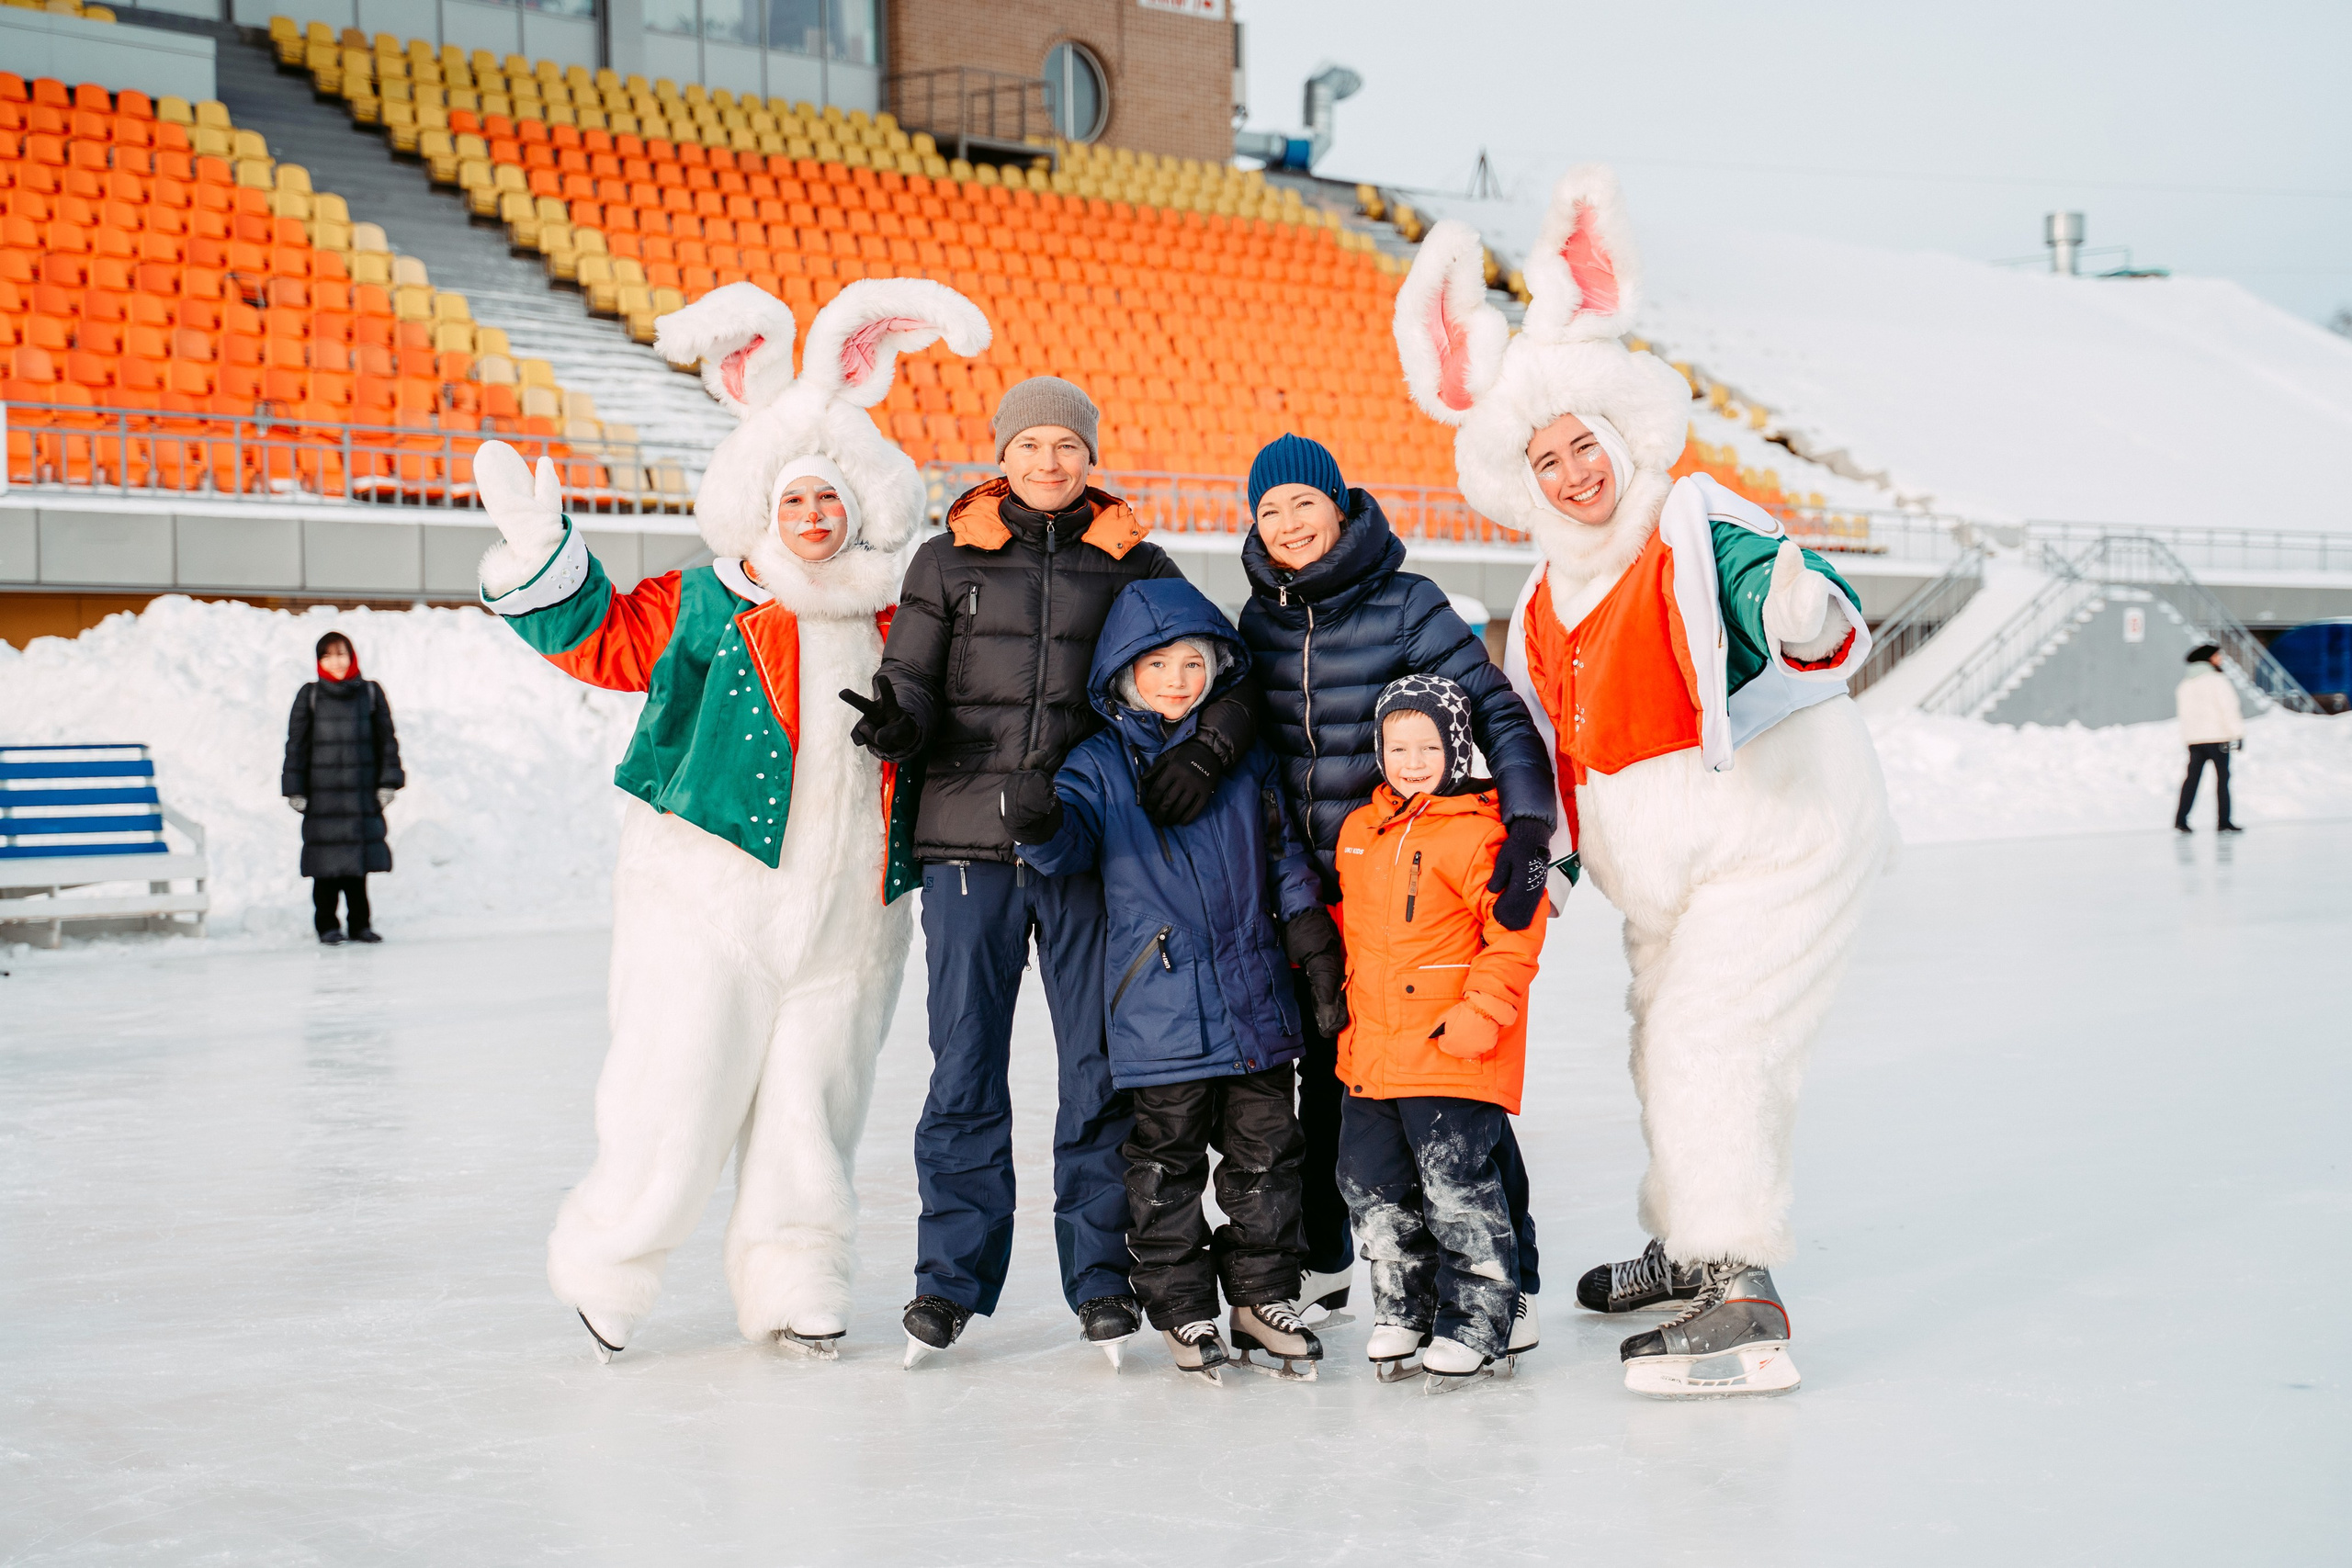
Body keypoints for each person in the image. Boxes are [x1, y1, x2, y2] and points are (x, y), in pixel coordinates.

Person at [1396, 167, 1896, 1397]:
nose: (1573, 471)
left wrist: (1795, 607)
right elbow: (1559, 756)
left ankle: (1740, 1294)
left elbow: (1798, 613)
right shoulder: (1544, 601)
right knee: (1656, 1034)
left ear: (1623, 438)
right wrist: (1536, 869)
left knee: (1708, 1040)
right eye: (1547, 457)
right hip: (1672, 875)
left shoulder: (1692, 526)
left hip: (1777, 837)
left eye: (1586, 444)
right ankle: (1688, 1239)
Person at [475, 278, 989, 1362]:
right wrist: (538, 555)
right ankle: (609, 1261)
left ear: (859, 508)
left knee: (815, 1102)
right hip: (707, 894)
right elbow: (606, 641)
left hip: (852, 915)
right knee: (676, 1082)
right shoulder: (713, 597)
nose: (814, 519)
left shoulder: (901, 614)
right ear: (765, 508)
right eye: (795, 502)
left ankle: (797, 1273)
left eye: (828, 502)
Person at [846, 376, 1261, 1368]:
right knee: (963, 1068)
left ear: (1089, 458)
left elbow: (1228, 671)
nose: (1048, 461)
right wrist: (900, 722)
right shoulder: (945, 560)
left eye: (1066, 446)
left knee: (1096, 1068)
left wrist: (1208, 750)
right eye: (1030, 444)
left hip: (1085, 845)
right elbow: (909, 678)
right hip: (966, 848)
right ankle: (947, 1282)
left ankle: (1101, 1278)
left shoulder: (1133, 561)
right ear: (1001, 455)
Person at [1235, 433, 1555, 1341]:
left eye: (1304, 502)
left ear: (1339, 507)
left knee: (1453, 1085)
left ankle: (1513, 1280)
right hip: (1317, 889)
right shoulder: (1259, 619)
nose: (1288, 523)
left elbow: (1494, 707)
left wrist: (1529, 824)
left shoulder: (1406, 602)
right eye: (1269, 509)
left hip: (1418, 884)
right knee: (1340, 1077)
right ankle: (1335, 1255)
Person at [1006, 577, 1327, 1385]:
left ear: (1215, 667)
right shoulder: (1100, 764)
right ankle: (1182, 1302)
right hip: (1161, 1007)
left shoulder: (1244, 756)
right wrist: (1038, 820)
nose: (1177, 681)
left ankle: (1262, 1295)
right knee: (1164, 1167)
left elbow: (1284, 852)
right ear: (1125, 675)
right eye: (1157, 666)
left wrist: (1306, 928)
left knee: (1267, 1156)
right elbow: (1068, 845)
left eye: (1191, 664)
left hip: (1254, 996)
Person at [1334, 675, 1548, 1392]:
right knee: (1370, 1184)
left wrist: (1483, 1010)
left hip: (1448, 1041)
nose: (1413, 761)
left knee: (1455, 1186)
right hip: (1372, 1047)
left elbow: (1515, 932)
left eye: (1429, 747)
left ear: (1457, 751)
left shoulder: (1478, 833)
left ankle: (1480, 1319)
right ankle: (1405, 1306)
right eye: (1398, 747)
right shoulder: (1359, 832)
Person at [281, 630, 402, 945]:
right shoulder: (309, 695)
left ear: (352, 656)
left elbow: (387, 741)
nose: (335, 662)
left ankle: (360, 925)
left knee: (357, 868)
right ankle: (327, 926)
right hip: (322, 797)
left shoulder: (370, 693)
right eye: (327, 656)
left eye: (341, 654)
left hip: (361, 793)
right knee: (325, 868)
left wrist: (388, 782)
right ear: (318, 661)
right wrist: (295, 789)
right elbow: (296, 746)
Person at [2174, 644, 2245, 833]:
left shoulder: (2185, 684)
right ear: (2208, 659)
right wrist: (2237, 734)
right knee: (2223, 778)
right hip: (2218, 738)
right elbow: (2229, 708)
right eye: (2217, 655)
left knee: (2192, 779)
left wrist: (2187, 737)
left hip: (2194, 740)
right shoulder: (2217, 680)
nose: (2220, 659)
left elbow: (2184, 714)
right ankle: (2224, 821)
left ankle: (2181, 819)